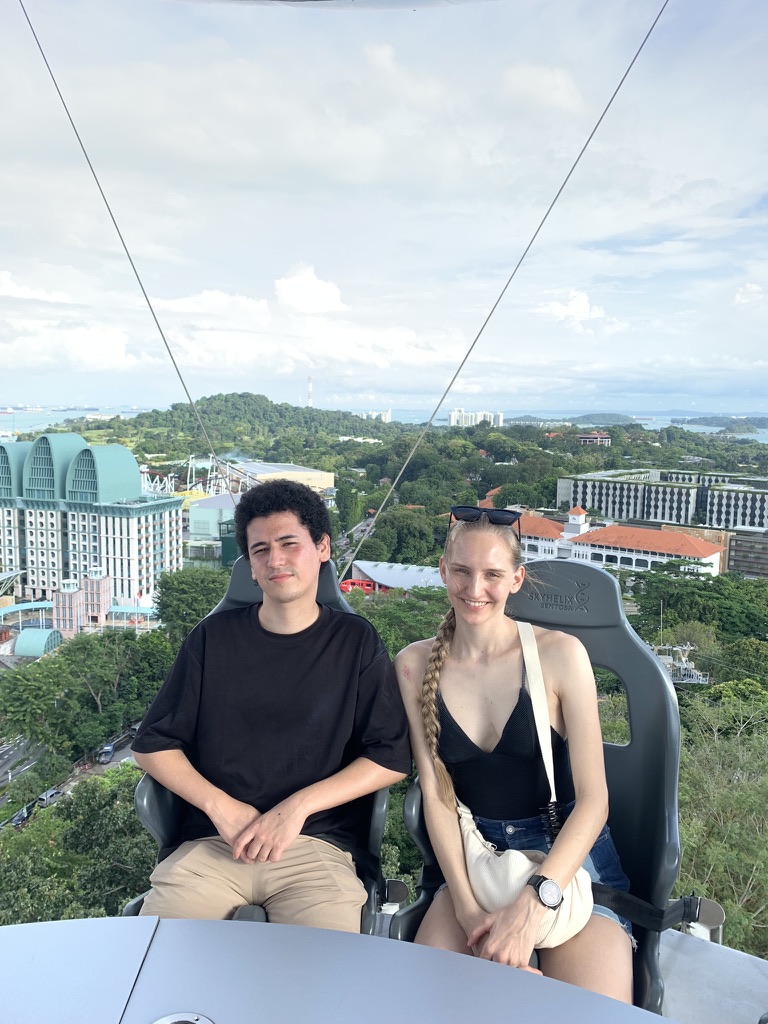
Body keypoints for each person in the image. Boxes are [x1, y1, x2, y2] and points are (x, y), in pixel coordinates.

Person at [133, 479, 411, 929]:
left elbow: (391, 756)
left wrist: (295, 809)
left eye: (289, 544)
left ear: (322, 548)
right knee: (158, 963)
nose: (275, 560)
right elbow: (153, 744)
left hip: (315, 850)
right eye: (260, 550)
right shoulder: (213, 639)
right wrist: (221, 807)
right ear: (250, 565)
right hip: (213, 844)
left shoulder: (355, 642)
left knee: (321, 983)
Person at [395, 507, 633, 1002]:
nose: (474, 588)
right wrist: (464, 906)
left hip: (567, 859)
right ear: (443, 570)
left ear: (517, 579)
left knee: (589, 1013)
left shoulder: (560, 655)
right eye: (461, 570)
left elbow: (594, 802)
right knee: (430, 1007)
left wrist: (536, 902)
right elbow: (438, 796)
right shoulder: (415, 666)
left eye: (492, 574)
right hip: (475, 857)